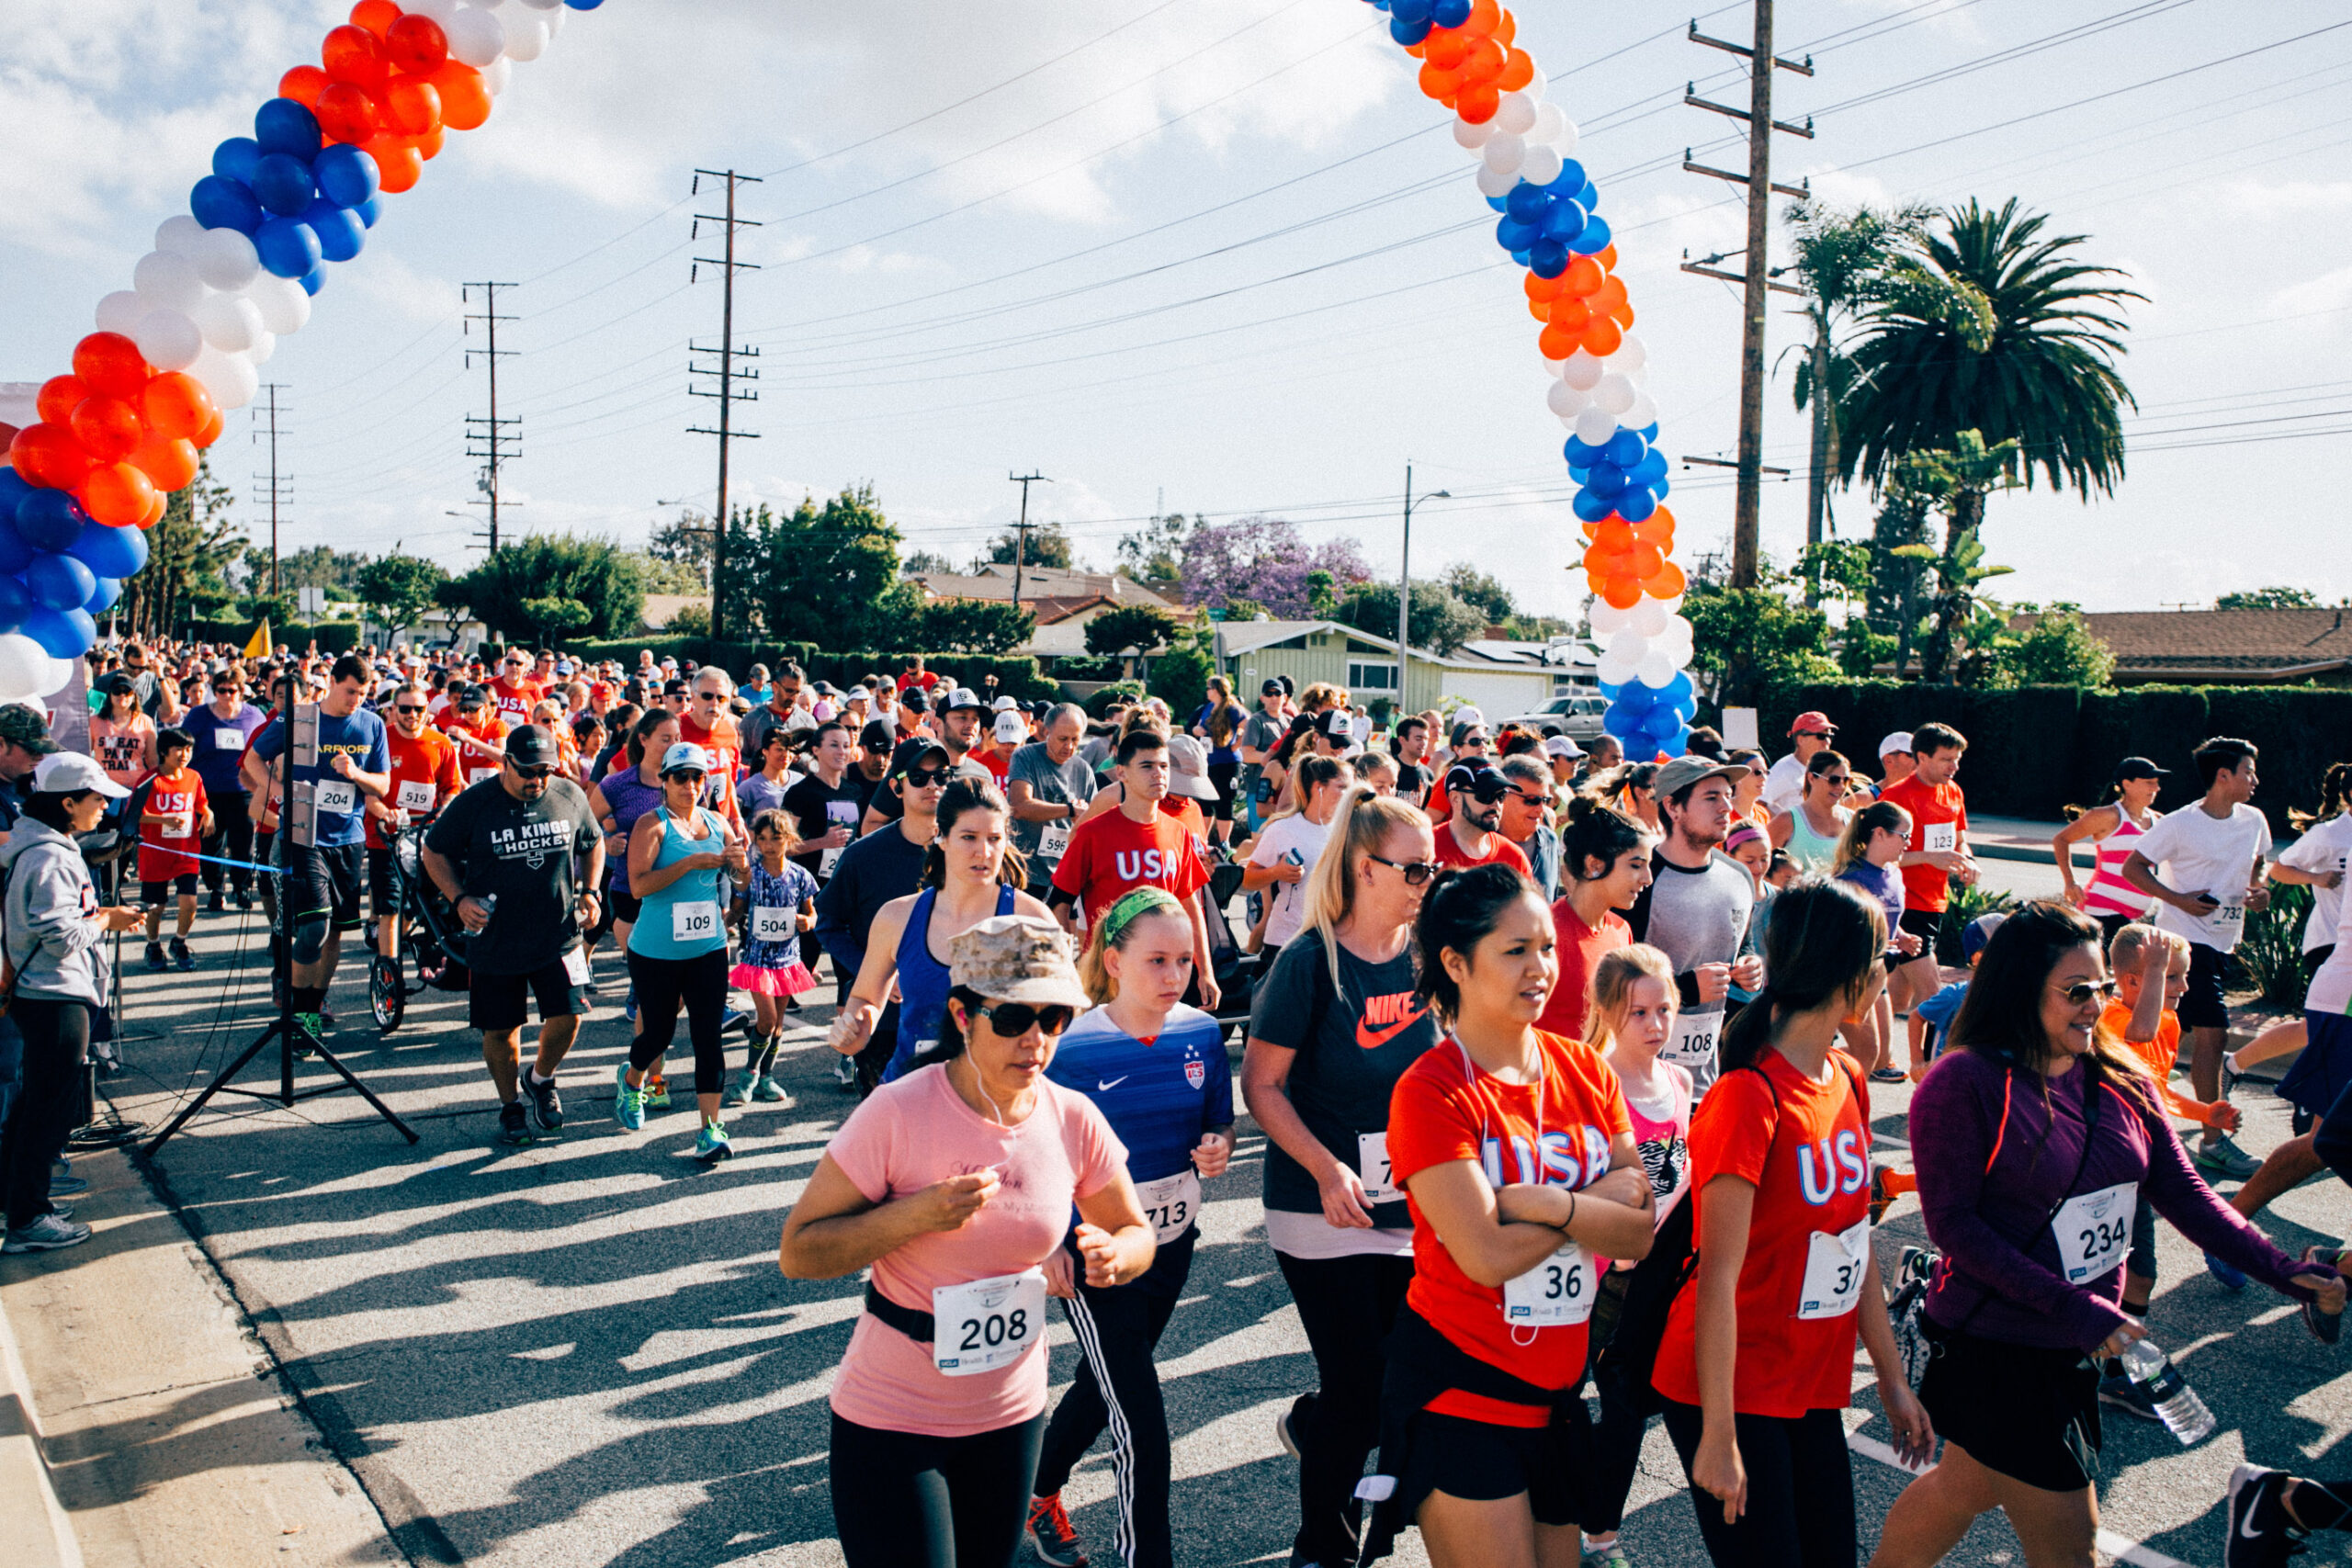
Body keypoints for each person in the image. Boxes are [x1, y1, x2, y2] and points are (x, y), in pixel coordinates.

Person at [1873, 901, 2343, 1568]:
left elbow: (2186, 1193)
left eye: (2099, 986)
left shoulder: (2118, 1075)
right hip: (1998, 1343)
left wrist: (2282, 1269)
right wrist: (2083, 1308)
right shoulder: (1965, 1083)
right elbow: (1957, 1228)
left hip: (2075, 1340)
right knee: (2072, 1541)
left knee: (1963, 1486)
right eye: (2077, 991)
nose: (2095, 1004)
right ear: (2019, 989)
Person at [778, 915, 1152, 1568]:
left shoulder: (1071, 1116)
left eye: (1054, 1018)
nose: (1034, 1039)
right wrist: (909, 1217)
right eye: (1012, 1019)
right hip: (892, 1416)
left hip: (1010, 1416)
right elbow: (799, 1250)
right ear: (962, 1014)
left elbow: (1135, 1229)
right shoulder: (897, 1111)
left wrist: (1116, 1255)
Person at [1342, 863, 1652, 1568]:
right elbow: (1481, 1252)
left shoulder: (1587, 1068)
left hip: (1557, 1396)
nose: (1540, 967)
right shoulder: (1431, 1088)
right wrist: (1591, 1208)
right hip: (1463, 1393)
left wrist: (1548, 1203)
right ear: (1455, 961)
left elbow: (1640, 1226)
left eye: (1546, 947)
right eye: (1515, 950)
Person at [1649, 879, 1934, 1568]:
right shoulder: (1747, 1096)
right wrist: (1718, 1433)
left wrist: (1894, 1382)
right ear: (1854, 975)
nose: (1888, 972)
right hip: (1732, 1385)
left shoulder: (1846, 1076)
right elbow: (1715, 1277)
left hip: (1806, 1379)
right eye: (1883, 958)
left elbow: (1854, 1242)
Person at [1240, 785, 1439, 1568]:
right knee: (1361, 1386)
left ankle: (1315, 1425)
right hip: (1317, 1205)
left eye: (1432, 867)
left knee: (1397, 1385)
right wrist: (1325, 1169)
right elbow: (1261, 1086)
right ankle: (1320, 1541)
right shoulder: (1309, 960)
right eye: (1416, 868)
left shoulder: (1431, 956)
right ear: (1366, 866)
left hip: (1410, 1202)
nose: (1430, 880)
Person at [1027, 890, 1235, 1568]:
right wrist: (1056, 1238)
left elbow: (1218, 1119)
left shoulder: (1202, 1031)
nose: (1173, 974)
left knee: (1104, 1384)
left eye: (1183, 958)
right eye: (1156, 960)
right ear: (1113, 960)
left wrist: (1216, 1145)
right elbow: (1034, 1152)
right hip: (1097, 1253)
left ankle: (1034, 1490)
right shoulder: (1070, 1046)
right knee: (1142, 1420)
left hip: (1171, 1246)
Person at [420, 725, 604, 1146]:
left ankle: (540, 1079)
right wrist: (459, 897)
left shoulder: (568, 794)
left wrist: (590, 890)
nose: (536, 780)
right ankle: (510, 1106)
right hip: (495, 936)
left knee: (570, 1016)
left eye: (544, 771)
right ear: (506, 763)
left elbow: (593, 842)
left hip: (557, 933)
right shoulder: (475, 803)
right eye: (527, 771)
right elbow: (434, 849)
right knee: (502, 1030)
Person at [0, 754, 144, 1254]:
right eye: (97, 798)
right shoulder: (50, 856)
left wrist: (103, 914)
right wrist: (105, 923)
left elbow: (59, 918)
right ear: (67, 803)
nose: (104, 807)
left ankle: (20, 1200)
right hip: (53, 994)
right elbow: (60, 936)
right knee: (46, 1108)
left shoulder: (47, 847)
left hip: (44, 991)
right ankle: (27, 1218)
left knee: (32, 1105)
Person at [1582, 943, 1696, 1568]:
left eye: (1664, 1009)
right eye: (1638, 1013)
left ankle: (1600, 1538)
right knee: (1554, 1401)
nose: (1656, 1025)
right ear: (1606, 1011)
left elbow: (1682, 1174)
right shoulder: (1591, 1085)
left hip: (1648, 1282)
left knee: (1626, 1413)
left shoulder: (1678, 1080)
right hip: (1588, 1279)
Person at [831, 777, 1055, 1089]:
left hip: (995, 1104)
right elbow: (865, 999)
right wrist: (854, 1026)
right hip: (912, 1098)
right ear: (942, 837)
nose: (983, 851)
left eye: (994, 838)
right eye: (969, 837)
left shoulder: (1032, 920)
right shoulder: (897, 917)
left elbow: (1059, 1023)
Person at [2120, 736, 2271, 1180]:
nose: (2255, 780)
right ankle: (2212, 1140)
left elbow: (2259, 862)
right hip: (2183, 939)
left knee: (2163, 1036)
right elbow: (2133, 868)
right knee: (2214, 1032)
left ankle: (2132, 1114)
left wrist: (2258, 890)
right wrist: (2178, 900)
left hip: (2223, 941)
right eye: (2248, 771)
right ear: (2223, 776)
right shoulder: (2182, 823)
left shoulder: (2253, 819)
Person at [2095, 922, 2248, 1335]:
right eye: (2171, 976)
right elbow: (2137, 1034)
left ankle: (2117, 1367)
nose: (2184, 986)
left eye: (2183, 974)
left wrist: (2204, 1113)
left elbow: (2156, 1091)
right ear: (2131, 981)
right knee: (2097, 1270)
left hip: (2142, 1158)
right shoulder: (2110, 1017)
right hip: (2103, 1162)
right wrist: (2156, 965)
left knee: (2141, 1274)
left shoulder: (2167, 1022)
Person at [614, 742, 749, 1159]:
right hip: (655, 950)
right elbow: (638, 886)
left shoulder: (717, 822)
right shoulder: (650, 827)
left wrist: (740, 865)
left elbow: (741, 881)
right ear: (665, 782)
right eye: (681, 778)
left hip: (708, 947)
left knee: (708, 1037)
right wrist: (690, 864)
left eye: (697, 777)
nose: (690, 785)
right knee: (659, 1032)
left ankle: (711, 1130)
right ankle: (633, 1079)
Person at [250, 654, 391, 1040]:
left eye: (363, 693)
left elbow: (382, 786)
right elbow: (253, 760)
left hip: (348, 839)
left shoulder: (372, 724)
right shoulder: (301, 717)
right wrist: (280, 793)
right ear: (332, 682)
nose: (356, 701)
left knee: (335, 934)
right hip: (304, 835)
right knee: (314, 927)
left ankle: (311, 1010)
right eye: (350, 692)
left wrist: (356, 773)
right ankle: (298, 1013)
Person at [1046, 731, 1217, 1009]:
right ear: (1122, 773)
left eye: (1164, 766)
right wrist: (1063, 966)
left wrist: (1205, 971)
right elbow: (1060, 902)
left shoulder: (1178, 832)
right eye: (1147, 766)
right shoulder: (1093, 833)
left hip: (1164, 975)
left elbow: (1190, 905)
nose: (1159, 774)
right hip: (1108, 975)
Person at [816, 739, 949, 1094]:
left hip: (951, 1020)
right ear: (896, 787)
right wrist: (877, 973)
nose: (933, 786)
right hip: (884, 1022)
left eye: (942, 776)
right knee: (887, 1131)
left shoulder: (967, 852)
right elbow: (828, 923)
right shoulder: (864, 855)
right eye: (919, 777)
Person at [1628, 755, 1761, 1095]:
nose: (1727, 807)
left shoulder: (1740, 876)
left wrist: (1749, 964)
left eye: (1728, 795)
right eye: (1711, 797)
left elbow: (1740, 943)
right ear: (1673, 807)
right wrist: (1685, 989)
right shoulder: (1640, 879)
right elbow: (1611, 982)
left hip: (1706, 1079)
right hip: (1638, 1081)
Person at [1882, 722, 1978, 1070]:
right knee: (1933, 992)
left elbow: (1959, 839)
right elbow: (1879, 854)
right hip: (1904, 902)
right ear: (1921, 757)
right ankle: (1934, 1067)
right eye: (1946, 759)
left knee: (1898, 992)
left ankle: (1871, 1052)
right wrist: (1928, 857)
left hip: (1935, 901)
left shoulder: (1954, 792)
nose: (1953, 767)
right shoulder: (1895, 797)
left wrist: (1966, 861)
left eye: (1957, 759)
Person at [369, 683, 463, 993]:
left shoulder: (440, 743)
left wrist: (447, 806)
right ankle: (388, 967)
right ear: (393, 709)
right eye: (405, 709)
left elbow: (452, 786)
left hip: (427, 835)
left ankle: (423, 949)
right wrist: (385, 813)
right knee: (390, 908)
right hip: (386, 838)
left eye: (419, 709)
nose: (412, 715)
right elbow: (367, 792)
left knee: (423, 903)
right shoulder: (381, 739)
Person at [1537, 796, 1651, 1041]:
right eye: (1636, 865)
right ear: (1594, 864)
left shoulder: (1622, 930)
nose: (1647, 878)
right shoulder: (1545, 934)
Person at [726, 808, 818, 1106]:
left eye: (776, 838)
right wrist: (724, 921)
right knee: (765, 1019)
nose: (768, 845)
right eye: (762, 838)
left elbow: (811, 913)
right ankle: (749, 1076)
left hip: (787, 960)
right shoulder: (751, 875)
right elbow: (738, 908)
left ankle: (767, 1077)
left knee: (777, 1025)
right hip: (757, 959)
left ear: (789, 840)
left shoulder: (801, 876)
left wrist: (808, 922)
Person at [1830, 799, 1927, 1082]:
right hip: (1850, 976)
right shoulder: (1851, 878)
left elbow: (1886, 919)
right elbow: (1838, 934)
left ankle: (1819, 1059)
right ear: (1880, 833)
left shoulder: (1895, 874)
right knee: (1866, 1054)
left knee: (1880, 1057)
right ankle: (1816, 1073)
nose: (1908, 843)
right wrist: (1878, 944)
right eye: (1904, 835)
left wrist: (1902, 936)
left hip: (1878, 974)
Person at [1243, 754, 1353, 954]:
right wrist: (1277, 872)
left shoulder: (1350, 830)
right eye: (1342, 787)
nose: (1349, 794)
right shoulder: (1283, 828)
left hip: (1334, 942)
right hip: (1287, 941)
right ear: (1319, 788)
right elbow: (1248, 880)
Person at [2052, 757, 2166, 944]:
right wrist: (2070, 882)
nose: (2156, 788)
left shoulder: (2159, 821)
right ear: (2127, 785)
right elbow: (2061, 839)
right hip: (2102, 911)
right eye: (2149, 783)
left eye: (2156, 783)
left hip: (2133, 917)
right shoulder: (2107, 816)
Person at [185, 670, 265, 912]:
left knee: (243, 842)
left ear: (241, 692)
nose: (226, 695)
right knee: (211, 842)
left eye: (232, 690)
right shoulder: (199, 716)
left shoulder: (254, 716)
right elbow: (184, 746)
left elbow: (265, 748)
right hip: (208, 791)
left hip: (243, 789)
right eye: (221, 690)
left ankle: (241, 889)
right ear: (214, 691)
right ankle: (215, 889)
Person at [137, 728, 209, 973]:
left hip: (186, 851)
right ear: (164, 752)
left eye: (188, 749)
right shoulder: (150, 780)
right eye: (178, 749)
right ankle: (153, 945)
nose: (184, 754)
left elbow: (200, 803)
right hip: (155, 852)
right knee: (155, 907)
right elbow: (136, 816)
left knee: (189, 903)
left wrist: (208, 814)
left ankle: (179, 942)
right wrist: (163, 820)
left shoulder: (193, 777)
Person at [1007, 704, 1096, 890]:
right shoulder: (1025, 756)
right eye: (1063, 739)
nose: (1069, 746)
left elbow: (1094, 821)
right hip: (1025, 871)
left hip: (1064, 875)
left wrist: (1083, 816)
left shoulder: (1083, 769)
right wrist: (1070, 809)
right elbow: (1020, 807)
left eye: (1075, 739)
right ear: (1046, 731)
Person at [1431, 762, 1533, 878]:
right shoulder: (1425, 848)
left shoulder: (1513, 858)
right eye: (1485, 795)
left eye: (1501, 796)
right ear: (1456, 799)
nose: (1496, 804)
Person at [1767, 750, 1853, 877]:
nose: (1840, 786)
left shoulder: (1853, 819)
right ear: (1811, 778)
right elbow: (1762, 866)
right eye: (1833, 780)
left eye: (1846, 780)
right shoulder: (1787, 821)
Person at [1193, 675, 1247, 848]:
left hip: (1227, 762)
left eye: (1209, 687)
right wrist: (1197, 730)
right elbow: (1198, 725)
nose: (1207, 691)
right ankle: (1203, 840)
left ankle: (1224, 843)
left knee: (1224, 801)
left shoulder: (1231, 707)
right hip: (1208, 761)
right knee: (1204, 801)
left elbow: (1248, 724)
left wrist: (1237, 744)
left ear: (1216, 689)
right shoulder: (1209, 707)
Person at [1761, 710, 1837, 817]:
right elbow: (1758, 804)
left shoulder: (1820, 770)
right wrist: (1783, 826)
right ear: (1801, 740)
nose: (1828, 741)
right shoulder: (1784, 769)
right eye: (1821, 736)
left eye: (1830, 736)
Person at [1238, 679, 1288, 833]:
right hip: (1259, 790)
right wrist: (1278, 760)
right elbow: (1247, 755)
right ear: (1262, 698)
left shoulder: (1290, 722)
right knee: (1259, 838)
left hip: (1283, 791)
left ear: (1285, 697)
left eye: (1277, 693)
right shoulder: (1256, 721)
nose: (1273, 698)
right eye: (1269, 694)